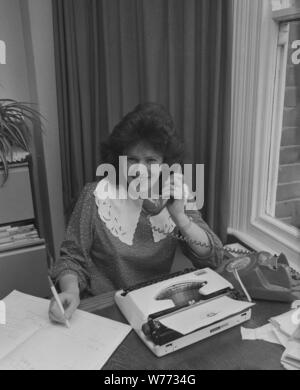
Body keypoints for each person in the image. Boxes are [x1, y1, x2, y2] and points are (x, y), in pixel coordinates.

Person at [49, 103, 224, 324]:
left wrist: (181, 218)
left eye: (151, 160)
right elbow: (71, 259)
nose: (140, 169)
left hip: (152, 307)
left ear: (165, 164)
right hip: (104, 307)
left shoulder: (176, 194)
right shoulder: (95, 195)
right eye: (132, 159)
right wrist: (71, 291)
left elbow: (214, 256)